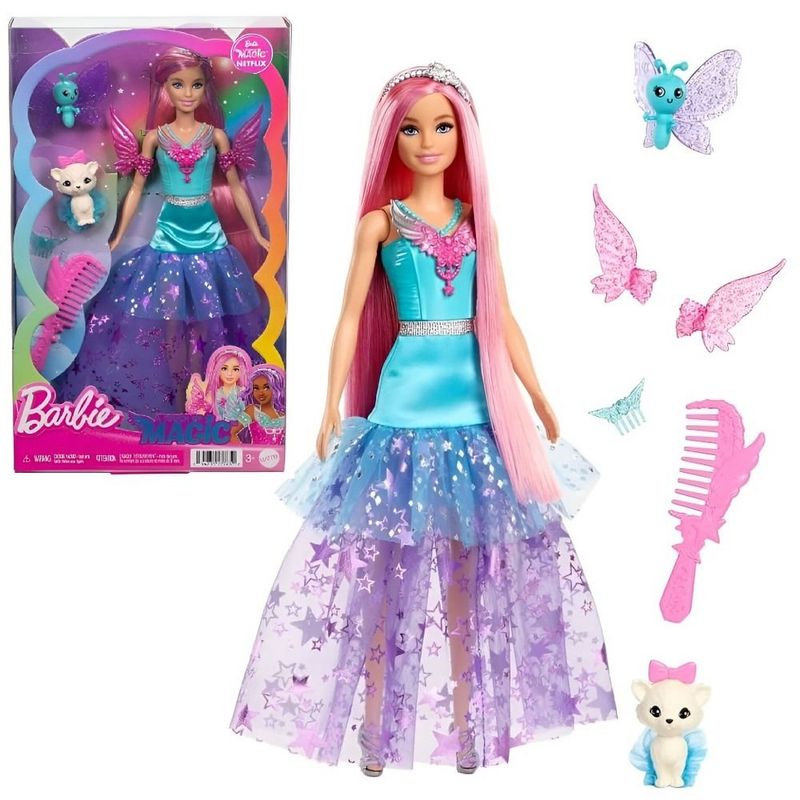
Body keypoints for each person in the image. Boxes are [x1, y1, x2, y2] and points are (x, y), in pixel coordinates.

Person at [231, 62, 614, 774]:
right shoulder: (380, 224)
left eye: (441, 127)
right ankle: (377, 731)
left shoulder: (477, 223)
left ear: (463, 136)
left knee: (472, 585)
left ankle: (471, 728)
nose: (427, 141)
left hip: (475, 413)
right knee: (385, 580)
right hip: (403, 409)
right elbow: (350, 317)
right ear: (392, 139)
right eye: (411, 129)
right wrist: (328, 402)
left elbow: (502, 317)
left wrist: (537, 394)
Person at [53, 47, 269, 416]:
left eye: (196, 85)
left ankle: (208, 394)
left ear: (205, 89)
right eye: (178, 84)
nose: (188, 93)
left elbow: (235, 187)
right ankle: (176, 393)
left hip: (209, 235)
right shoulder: (156, 138)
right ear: (166, 88)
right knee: (169, 322)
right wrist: (117, 236)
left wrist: (257, 233)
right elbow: (136, 189)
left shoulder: (215, 137)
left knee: (211, 319)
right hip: (168, 234)